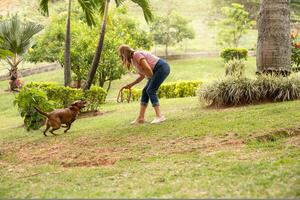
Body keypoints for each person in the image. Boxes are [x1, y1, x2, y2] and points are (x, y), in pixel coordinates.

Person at [118, 44, 170, 124]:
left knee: (150, 90)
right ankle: (141, 118)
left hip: (161, 68)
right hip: (156, 71)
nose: (122, 58)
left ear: (124, 53)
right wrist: (130, 85)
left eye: (121, 55)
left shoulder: (136, 55)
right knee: (145, 91)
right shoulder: (134, 60)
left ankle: (160, 116)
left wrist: (151, 80)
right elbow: (142, 76)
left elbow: (148, 69)